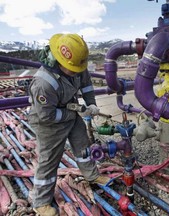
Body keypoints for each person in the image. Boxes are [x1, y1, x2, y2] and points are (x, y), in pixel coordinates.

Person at [28, 33, 111, 216]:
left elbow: (87, 85)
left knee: (83, 147)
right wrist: (73, 111)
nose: (77, 71)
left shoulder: (77, 64)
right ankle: (40, 202)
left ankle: (91, 175)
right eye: (73, 69)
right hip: (48, 123)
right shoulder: (43, 83)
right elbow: (46, 116)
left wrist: (91, 105)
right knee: (49, 161)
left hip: (70, 113)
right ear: (59, 61)